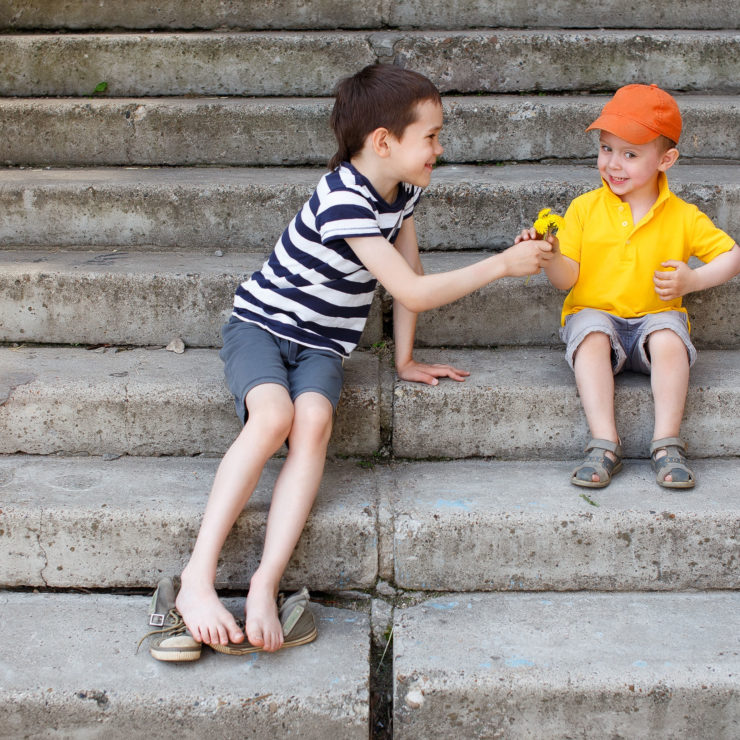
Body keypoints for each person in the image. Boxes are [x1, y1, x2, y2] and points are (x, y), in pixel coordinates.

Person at [173, 63, 549, 655]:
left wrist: (403, 360)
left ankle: (265, 581)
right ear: (383, 141)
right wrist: (501, 264)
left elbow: (412, 272)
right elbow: (413, 291)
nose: (439, 148)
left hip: (322, 345)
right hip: (261, 329)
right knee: (274, 419)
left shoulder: (404, 194)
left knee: (315, 422)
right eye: (430, 136)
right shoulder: (342, 198)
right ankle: (196, 578)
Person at [517, 83, 740, 490]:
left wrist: (694, 279)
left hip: (654, 317)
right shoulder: (585, 208)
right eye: (606, 149)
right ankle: (604, 442)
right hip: (596, 313)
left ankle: (666, 442)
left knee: (670, 336)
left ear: (666, 159)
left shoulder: (683, 216)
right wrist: (551, 256)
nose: (613, 164)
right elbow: (569, 278)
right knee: (589, 336)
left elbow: (731, 255)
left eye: (630, 154)